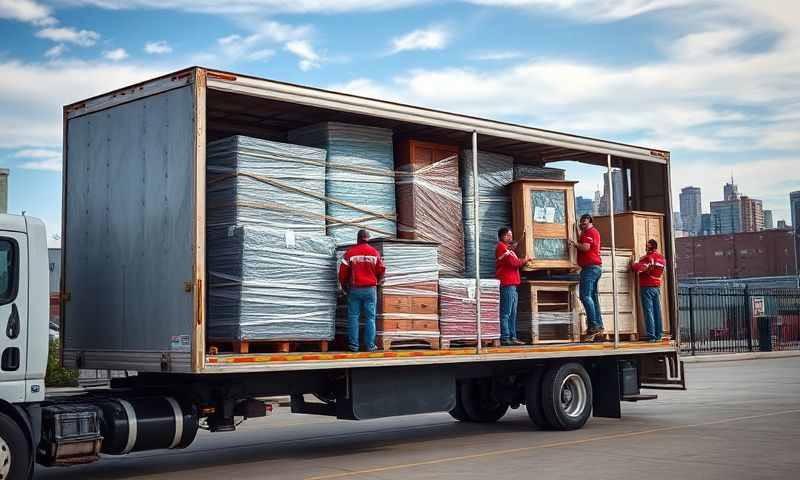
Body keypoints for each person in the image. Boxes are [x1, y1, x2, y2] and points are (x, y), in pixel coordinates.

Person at [338, 229, 386, 352]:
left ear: (358, 239)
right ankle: (370, 346)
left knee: (353, 316)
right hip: (370, 289)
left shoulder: (351, 253)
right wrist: (378, 281)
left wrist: (344, 287)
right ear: (368, 239)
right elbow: (381, 269)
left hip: (355, 289)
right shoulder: (374, 253)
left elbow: (342, 272)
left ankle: (354, 346)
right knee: (370, 317)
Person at [570, 214, 604, 341]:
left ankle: (593, 326)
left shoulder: (590, 232)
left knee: (585, 296)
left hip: (590, 268)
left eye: (584, 222)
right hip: (594, 268)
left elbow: (586, 247)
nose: (582, 224)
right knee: (593, 298)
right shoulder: (588, 232)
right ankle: (598, 326)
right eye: (581, 222)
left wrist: (574, 243)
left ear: (590, 222)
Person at [495, 227, 531, 346]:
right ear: (503, 237)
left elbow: (514, 261)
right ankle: (505, 337)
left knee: (512, 313)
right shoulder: (501, 247)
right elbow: (513, 263)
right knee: (506, 312)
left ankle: (512, 336)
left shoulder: (509, 250)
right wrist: (526, 260)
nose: (511, 237)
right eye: (508, 235)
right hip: (507, 284)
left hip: (513, 285)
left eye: (511, 235)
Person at [631, 239, 666, 342]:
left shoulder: (648, 258)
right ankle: (659, 334)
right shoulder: (661, 258)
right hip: (656, 286)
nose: (646, 248)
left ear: (651, 247)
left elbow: (640, 268)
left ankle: (652, 335)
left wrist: (633, 264)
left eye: (647, 246)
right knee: (657, 311)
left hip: (647, 286)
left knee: (648, 311)